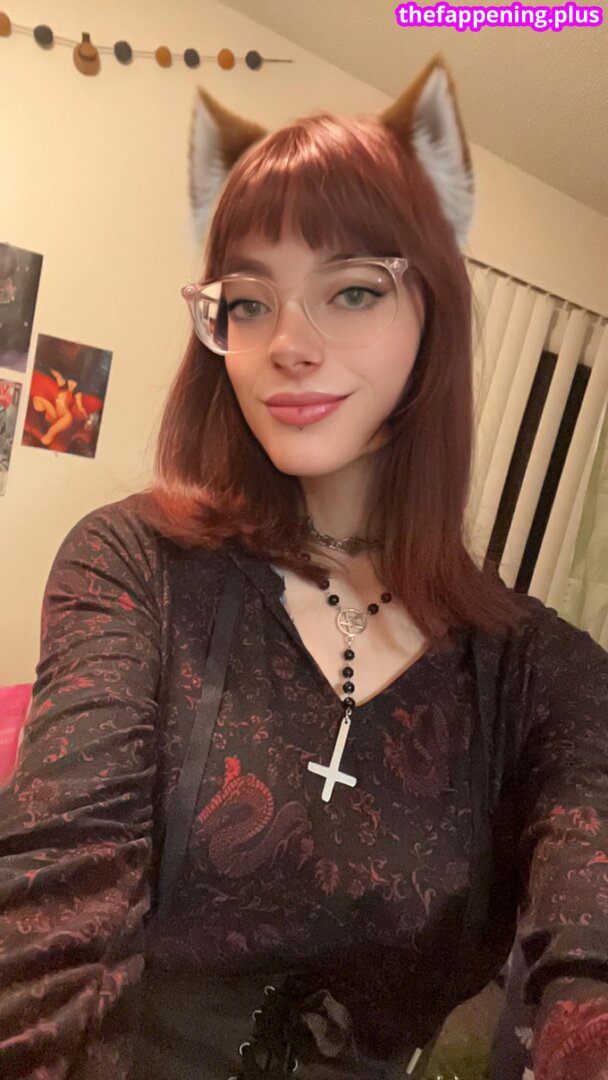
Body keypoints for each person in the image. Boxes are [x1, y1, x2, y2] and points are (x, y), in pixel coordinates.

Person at [1, 54, 607, 1080]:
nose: (287, 343)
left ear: (434, 324)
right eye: (247, 302)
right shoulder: (132, 564)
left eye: (353, 291)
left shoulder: (546, 676)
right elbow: (51, 917)